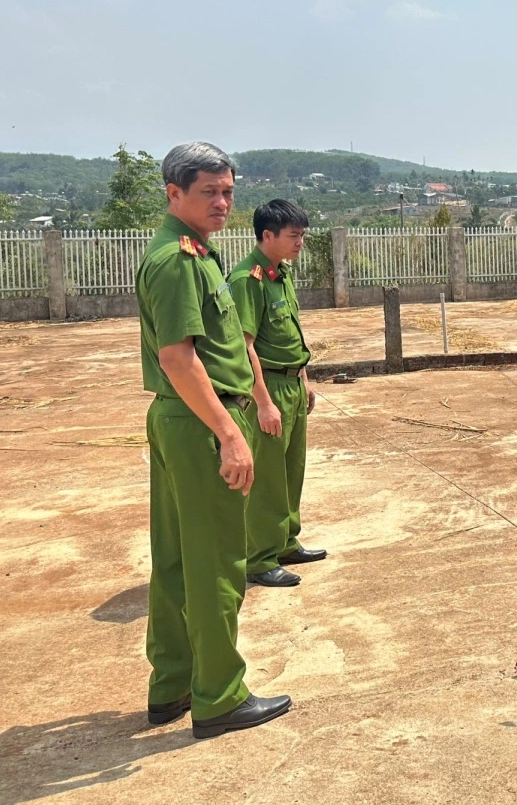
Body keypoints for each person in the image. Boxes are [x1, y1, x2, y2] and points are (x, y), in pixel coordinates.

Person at [136, 141, 291, 739]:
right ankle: (220, 695)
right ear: (174, 194)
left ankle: (172, 682)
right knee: (217, 563)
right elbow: (178, 357)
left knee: (176, 560)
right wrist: (230, 432)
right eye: (210, 192)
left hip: (182, 419)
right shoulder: (177, 259)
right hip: (202, 421)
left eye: (228, 191)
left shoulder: (193, 253)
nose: (223, 202)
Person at [228, 199, 325, 588]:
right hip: (266, 387)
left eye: (302, 235)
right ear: (267, 235)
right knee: (267, 478)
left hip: (291, 383)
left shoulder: (280, 275)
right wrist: (264, 402)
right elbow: (245, 345)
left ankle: (285, 540)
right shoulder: (247, 280)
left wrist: (304, 380)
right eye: (294, 236)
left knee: (290, 471)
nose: (300, 242)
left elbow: (290, 335)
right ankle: (259, 558)